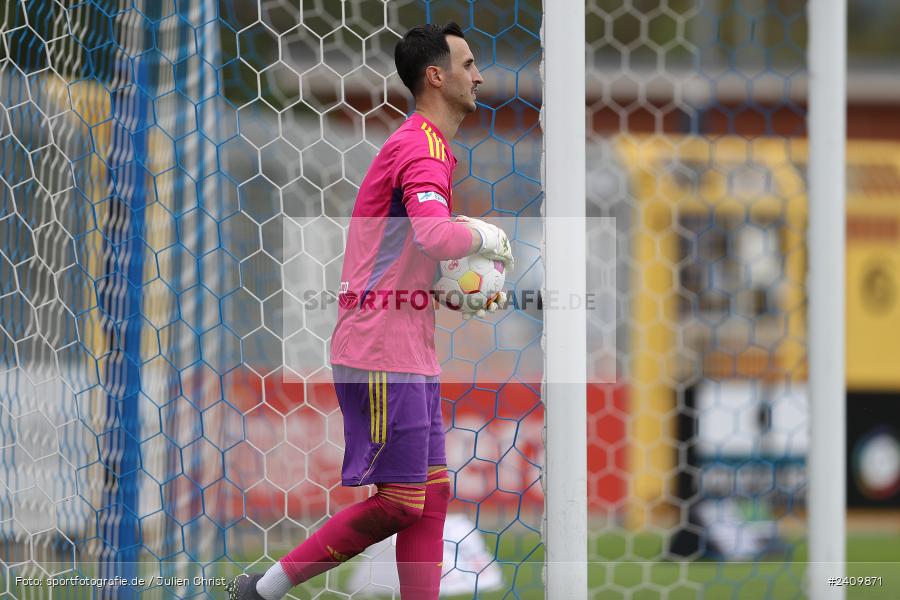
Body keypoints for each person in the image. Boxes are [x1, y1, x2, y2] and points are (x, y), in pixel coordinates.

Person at [226, 22, 514, 600]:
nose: (479, 75)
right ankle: (265, 589)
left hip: (405, 346)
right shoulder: (423, 148)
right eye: (468, 63)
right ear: (436, 76)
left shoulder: (421, 146)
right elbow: (435, 235)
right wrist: (484, 234)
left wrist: (447, 289)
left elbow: (406, 252)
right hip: (382, 351)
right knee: (400, 502)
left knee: (430, 497)